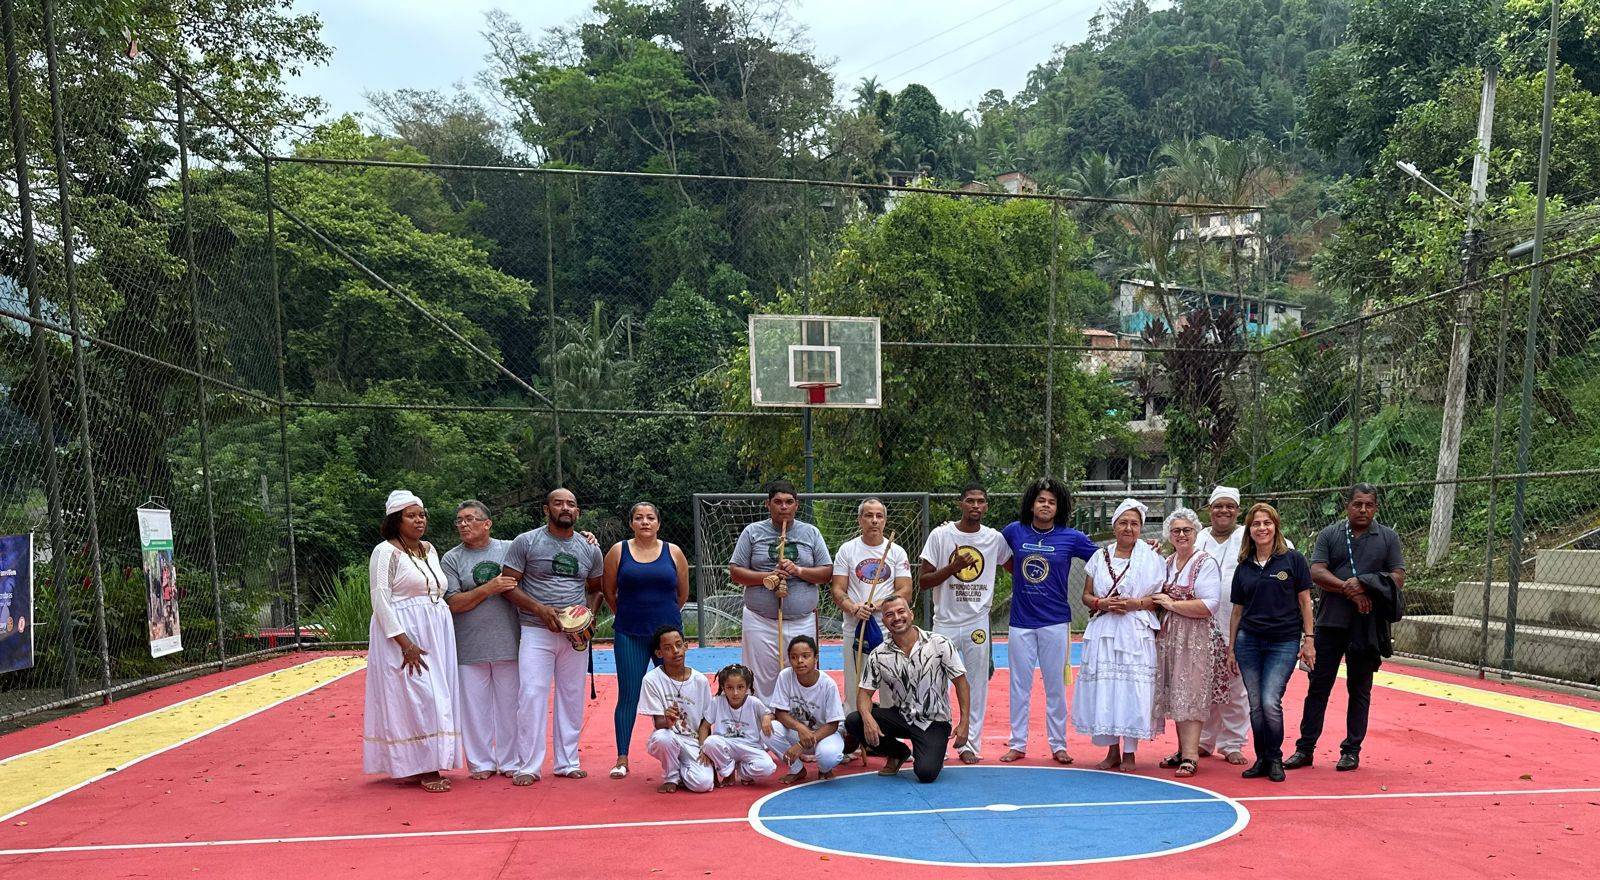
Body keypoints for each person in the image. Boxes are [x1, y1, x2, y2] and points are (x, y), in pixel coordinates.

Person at [1287, 483, 1405, 773]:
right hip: (1330, 622)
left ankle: (1351, 750)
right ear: (1347, 505)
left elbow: (1398, 577)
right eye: (1357, 504)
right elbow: (1316, 570)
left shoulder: (1388, 537)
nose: (1363, 510)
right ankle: (1305, 748)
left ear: (1376, 507)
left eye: (1368, 505)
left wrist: (1365, 582)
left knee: (1360, 689)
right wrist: (1348, 589)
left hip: (1368, 625)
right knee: (1318, 687)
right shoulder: (1330, 534)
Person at [500, 488, 604, 784]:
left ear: (578, 512)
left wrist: (588, 616)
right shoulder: (527, 541)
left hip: (575, 636)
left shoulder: (589, 548)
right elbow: (508, 584)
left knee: (572, 696)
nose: (565, 507)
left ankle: (567, 761)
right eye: (558, 503)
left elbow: (596, 588)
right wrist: (539, 609)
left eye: (571, 503)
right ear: (546, 509)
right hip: (536, 629)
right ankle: (529, 766)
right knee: (531, 695)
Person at [363, 490, 461, 793]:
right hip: (403, 632)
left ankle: (426, 761)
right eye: (411, 515)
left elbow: (437, 590)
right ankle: (425, 766)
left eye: (422, 515)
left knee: (438, 693)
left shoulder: (429, 549)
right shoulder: (385, 551)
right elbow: (380, 599)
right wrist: (404, 642)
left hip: (436, 629)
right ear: (396, 520)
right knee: (417, 695)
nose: (419, 520)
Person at [999, 478, 1097, 765]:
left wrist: (1143, 548)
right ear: (1031, 503)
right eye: (1041, 500)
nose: (1045, 505)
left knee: (1055, 685)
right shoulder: (1014, 532)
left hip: (1055, 621)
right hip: (1021, 622)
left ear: (1059, 507)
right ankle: (1017, 744)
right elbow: (990, 547)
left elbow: (1104, 559)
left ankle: (1058, 745)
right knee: (1019, 684)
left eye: (1051, 502)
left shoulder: (1071, 537)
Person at [918, 483, 1011, 765]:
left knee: (977, 684)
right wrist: (952, 569)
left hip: (977, 623)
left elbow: (1014, 565)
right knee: (935, 684)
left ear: (986, 506)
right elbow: (923, 581)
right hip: (944, 621)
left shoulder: (994, 539)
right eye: (970, 501)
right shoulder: (941, 535)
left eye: (981, 501)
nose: (975, 506)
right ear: (960, 504)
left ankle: (970, 742)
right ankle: (938, 740)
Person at [1073, 498, 1165, 771]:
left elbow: (1158, 598)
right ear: (1114, 526)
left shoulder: (1152, 558)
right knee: (1106, 688)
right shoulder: (1098, 557)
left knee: (1133, 689)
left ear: (1141, 528)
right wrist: (1103, 603)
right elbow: (1086, 596)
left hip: (1135, 631)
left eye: (1134, 524)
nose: (1129, 528)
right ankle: (1112, 750)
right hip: (1104, 630)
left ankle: (1130, 753)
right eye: (1123, 523)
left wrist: (1134, 604)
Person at [602, 501, 690, 781]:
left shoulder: (673, 552)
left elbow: (682, 594)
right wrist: (631, 616)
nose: (645, 522)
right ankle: (622, 758)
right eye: (638, 518)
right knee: (628, 694)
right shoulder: (618, 551)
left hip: (667, 634)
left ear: (658, 523)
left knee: (676, 693)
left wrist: (663, 622)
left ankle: (684, 752)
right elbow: (609, 592)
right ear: (631, 523)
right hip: (629, 632)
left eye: (650, 517)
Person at [844, 595, 971, 784]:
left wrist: (964, 722)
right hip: (902, 716)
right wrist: (868, 718)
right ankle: (898, 752)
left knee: (926, 773)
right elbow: (864, 693)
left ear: (911, 614)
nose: (896, 617)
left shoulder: (940, 643)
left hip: (934, 721)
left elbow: (961, 683)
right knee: (855, 720)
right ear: (884, 621)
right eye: (889, 614)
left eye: (901, 611)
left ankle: (928, 752)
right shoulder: (878, 654)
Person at [1229, 502, 1315, 782]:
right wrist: (1231, 648)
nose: (1262, 528)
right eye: (1256, 524)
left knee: (1269, 701)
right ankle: (1262, 759)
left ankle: (1275, 757)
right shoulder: (1243, 566)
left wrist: (1309, 640)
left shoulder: (1293, 560)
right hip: (1248, 641)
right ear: (1249, 530)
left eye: (1267, 523)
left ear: (1276, 526)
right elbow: (1237, 610)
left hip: (1283, 642)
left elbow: (1305, 601)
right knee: (1254, 704)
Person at [728, 480, 832, 700]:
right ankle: (763, 721)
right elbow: (736, 572)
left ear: (796, 505)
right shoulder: (752, 532)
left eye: (789, 502)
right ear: (768, 504)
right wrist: (769, 577)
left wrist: (798, 570)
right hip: (760, 620)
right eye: (778, 502)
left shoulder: (811, 533)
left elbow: (826, 573)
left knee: (802, 672)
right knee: (760, 677)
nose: (783, 507)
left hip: (801, 620)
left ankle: (799, 719)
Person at [440, 500, 521, 781]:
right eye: (459, 520)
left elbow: (543, 548)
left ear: (487, 523)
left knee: (510, 707)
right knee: (474, 709)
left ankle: (511, 760)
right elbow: (453, 602)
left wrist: (586, 537)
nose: (463, 524)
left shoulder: (509, 548)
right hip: (469, 643)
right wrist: (489, 588)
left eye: (470, 519)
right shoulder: (451, 559)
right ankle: (480, 763)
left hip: (508, 641)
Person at [1152, 507, 1224, 778]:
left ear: (1196, 532)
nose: (1182, 535)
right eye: (1176, 530)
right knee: (1176, 691)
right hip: (1171, 635)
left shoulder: (1205, 561)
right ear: (1169, 534)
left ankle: (1192, 756)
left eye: (1187, 530)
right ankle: (1183, 751)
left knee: (1191, 691)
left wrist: (1172, 604)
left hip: (1195, 636)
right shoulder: (1168, 562)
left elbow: (1210, 604)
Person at [831, 498, 913, 711]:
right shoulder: (847, 550)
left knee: (891, 688)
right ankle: (857, 738)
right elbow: (838, 589)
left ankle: (889, 739)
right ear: (860, 520)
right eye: (869, 516)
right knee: (855, 687)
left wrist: (876, 605)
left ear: (885, 521)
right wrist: (853, 608)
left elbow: (905, 590)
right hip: (856, 629)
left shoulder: (896, 551)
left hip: (889, 631)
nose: (874, 521)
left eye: (879, 516)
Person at [638, 624, 716, 794]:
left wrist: (707, 750)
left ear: (686, 646)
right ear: (659, 653)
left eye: (679, 645)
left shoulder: (700, 680)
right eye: (668, 648)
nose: (675, 651)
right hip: (669, 735)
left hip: (694, 740)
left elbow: (706, 722)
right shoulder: (651, 680)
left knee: (703, 784)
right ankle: (671, 776)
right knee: (662, 738)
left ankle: (683, 768)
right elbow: (659, 723)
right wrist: (667, 720)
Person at [768, 635, 847, 784]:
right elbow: (780, 712)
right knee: (769, 729)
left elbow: (833, 724)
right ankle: (797, 769)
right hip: (798, 733)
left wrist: (801, 745)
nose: (800, 661)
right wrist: (799, 727)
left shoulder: (828, 684)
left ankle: (824, 768)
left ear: (815, 658)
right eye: (794, 657)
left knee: (828, 756)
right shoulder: (785, 676)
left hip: (824, 734)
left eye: (806, 656)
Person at [700, 663, 778, 786]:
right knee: (710, 742)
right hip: (726, 745)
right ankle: (728, 772)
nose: (735, 693)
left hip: (750, 746)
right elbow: (704, 726)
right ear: (723, 687)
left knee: (768, 767)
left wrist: (767, 717)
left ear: (747, 687)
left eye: (740, 687)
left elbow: (771, 714)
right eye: (730, 688)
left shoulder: (754, 702)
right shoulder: (717, 702)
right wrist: (702, 749)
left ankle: (743, 772)